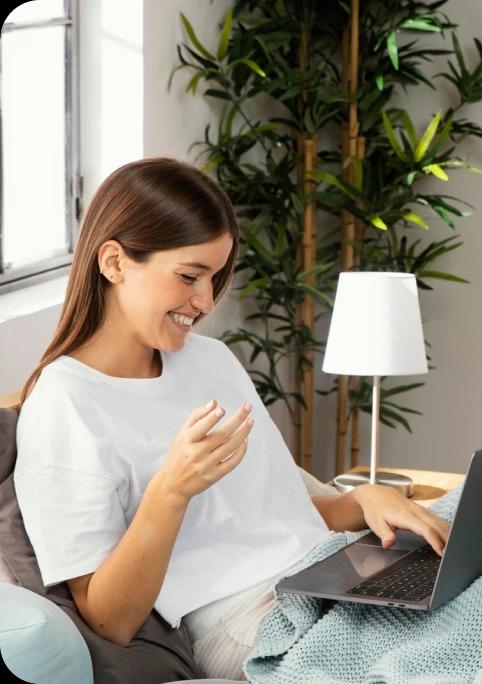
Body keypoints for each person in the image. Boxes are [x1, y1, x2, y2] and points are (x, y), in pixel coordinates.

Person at [12, 157, 451, 680]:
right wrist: (171, 490)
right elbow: (110, 620)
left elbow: (277, 514)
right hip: (248, 622)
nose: (204, 301)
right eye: (189, 276)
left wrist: (363, 501)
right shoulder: (65, 405)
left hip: (322, 569)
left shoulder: (211, 360)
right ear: (114, 262)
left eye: (215, 276)